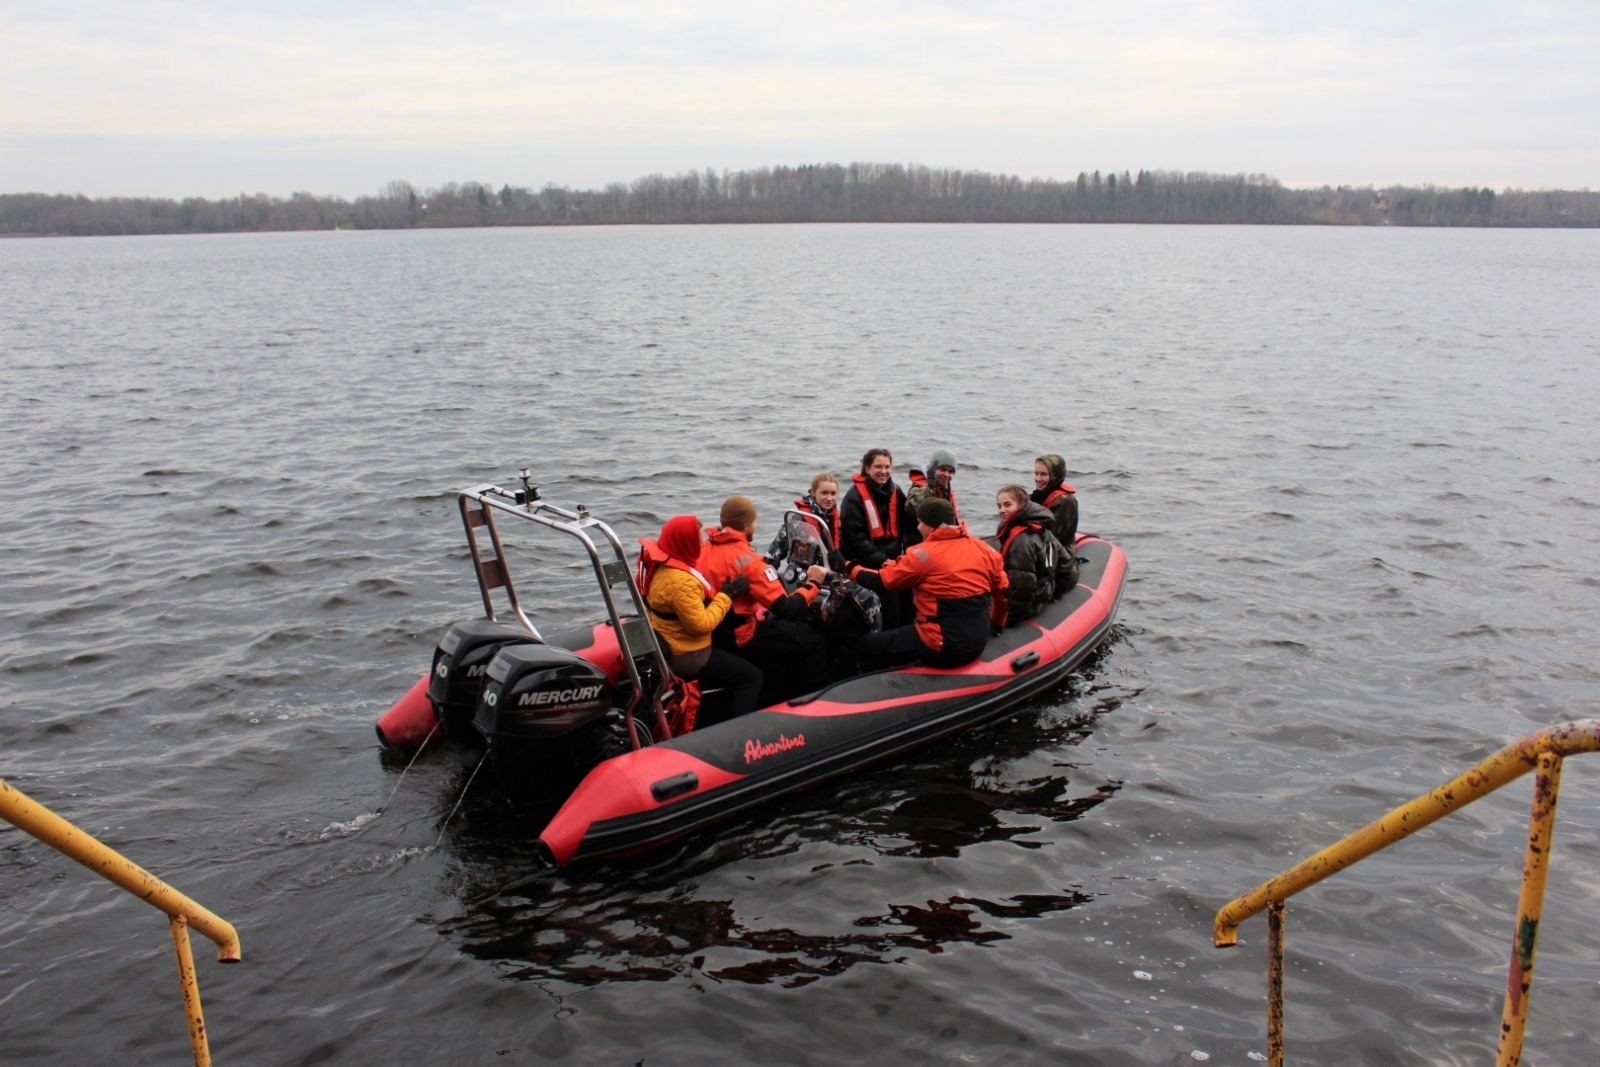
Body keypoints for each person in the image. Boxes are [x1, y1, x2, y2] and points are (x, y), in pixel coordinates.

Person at [849, 498, 1009, 671]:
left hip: (939, 645)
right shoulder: (985, 550)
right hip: (978, 640)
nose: (918, 528)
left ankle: (871, 686)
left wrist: (847, 567)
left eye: (920, 522)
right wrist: (997, 624)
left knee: (866, 645)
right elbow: (1003, 594)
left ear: (931, 527)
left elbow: (880, 582)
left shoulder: (922, 555)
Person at [700, 496, 831, 705]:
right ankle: (818, 703)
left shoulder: (705, 548)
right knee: (812, 640)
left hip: (714, 634)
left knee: (783, 629)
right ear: (746, 524)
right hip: (740, 638)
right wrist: (814, 584)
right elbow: (787, 608)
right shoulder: (748, 561)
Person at [637, 514, 761, 728]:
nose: (702, 543)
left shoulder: (657, 564)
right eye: (697, 540)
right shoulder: (681, 581)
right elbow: (700, 626)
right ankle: (739, 732)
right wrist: (727, 596)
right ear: (685, 544)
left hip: (667, 640)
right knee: (751, 677)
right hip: (688, 654)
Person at [839, 448, 910, 628]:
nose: (883, 471)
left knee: (910, 588)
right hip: (866, 562)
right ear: (867, 468)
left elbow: (909, 523)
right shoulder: (853, 498)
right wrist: (885, 561)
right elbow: (854, 539)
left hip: (893, 559)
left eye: (887, 467)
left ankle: (907, 632)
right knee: (889, 592)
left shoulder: (896, 492)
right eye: (878, 466)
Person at [993, 484, 1076, 625]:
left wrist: (1007, 620)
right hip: (1041, 592)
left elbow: (1022, 589)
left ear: (1022, 505)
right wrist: (1056, 592)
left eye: (1007, 505)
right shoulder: (1041, 527)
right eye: (999, 506)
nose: (1002, 510)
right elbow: (1066, 563)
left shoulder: (1022, 540)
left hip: (1029, 603)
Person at [768, 472, 846, 572]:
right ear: (813, 492)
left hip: (831, 573)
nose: (829, 498)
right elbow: (774, 553)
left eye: (833, 494)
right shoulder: (798, 520)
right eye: (824, 493)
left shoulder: (836, 519)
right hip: (804, 575)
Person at [903, 449, 959, 548]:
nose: (946, 474)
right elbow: (911, 506)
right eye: (942, 469)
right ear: (933, 469)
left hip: (938, 544)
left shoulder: (945, 490)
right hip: (918, 545)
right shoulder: (919, 487)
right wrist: (930, 487)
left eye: (950, 471)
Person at [1032, 454, 1079, 547]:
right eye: (1036, 474)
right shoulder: (1040, 495)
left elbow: (1050, 536)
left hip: (1059, 553)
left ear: (1055, 475)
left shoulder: (1063, 501)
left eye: (1043, 474)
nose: (1038, 479)